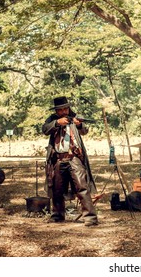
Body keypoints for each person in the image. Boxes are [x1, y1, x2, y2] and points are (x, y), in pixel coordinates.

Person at [43, 96, 98, 226]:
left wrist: (79, 125)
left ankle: (90, 218)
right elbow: (45, 129)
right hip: (58, 158)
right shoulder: (52, 119)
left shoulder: (75, 117)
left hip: (74, 157)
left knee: (82, 187)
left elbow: (85, 131)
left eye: (66, 108)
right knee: (57, 189)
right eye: (61, 110)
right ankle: (57, 215)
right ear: (57, 111)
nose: (64, 111)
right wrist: (57, 123)